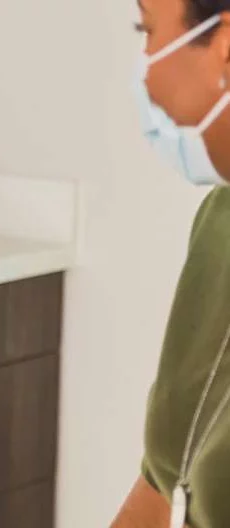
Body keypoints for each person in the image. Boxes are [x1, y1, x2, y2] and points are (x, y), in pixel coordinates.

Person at [113, 1, 230, 527]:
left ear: (224, 47)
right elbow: (168, 479)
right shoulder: (218, 223)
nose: (146, 73)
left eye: (149, 31)